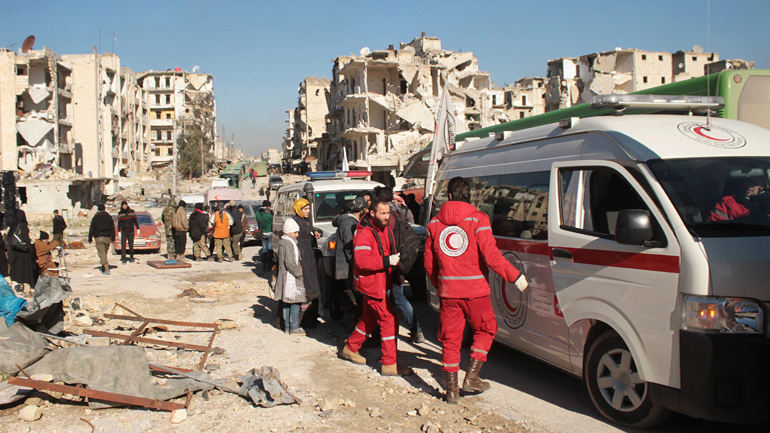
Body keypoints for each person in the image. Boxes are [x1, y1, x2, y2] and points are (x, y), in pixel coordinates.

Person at [424, 177, 529, 404]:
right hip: (475, 290)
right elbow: (491, 256)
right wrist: (515, 276)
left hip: (448, 291)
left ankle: (451, 391)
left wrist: (438, 283)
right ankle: (472, 376)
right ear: (468, 195)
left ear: (449, 196)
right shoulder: (478, 219)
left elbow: (429, 263)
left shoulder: (433, 224)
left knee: (451, 339)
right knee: (486, 328)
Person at [339, 197, 414, 377]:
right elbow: (362, 261)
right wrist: (387, 261)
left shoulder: (382, 228)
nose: (387, 216)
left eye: (388, 212)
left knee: (370, 317)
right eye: (383, 213)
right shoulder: (365, 233)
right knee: (389, 319)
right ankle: (389, 364)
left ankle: (351, 347)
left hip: (379, 282)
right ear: (372, 213)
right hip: (372, 285)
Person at [374, 187, 425, 344]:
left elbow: (387, 241)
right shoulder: (398, 212)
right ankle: (415, 330)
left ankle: (385, 335)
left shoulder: (386, 217)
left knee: (387, 299)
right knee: (397, 297)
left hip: (390, 263)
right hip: (398, 260)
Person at [333, 196, 368, 320]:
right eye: (366, 208)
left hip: (347, 264)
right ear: (361, 209)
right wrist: (355, 262)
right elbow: (349, 246)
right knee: (353, 292)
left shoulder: (349, 221)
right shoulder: (350, 223)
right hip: (348, 264)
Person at [274, 218, 308, 336]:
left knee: (287, 303)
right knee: (295, 302)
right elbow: (290, 263)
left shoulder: (285, 242)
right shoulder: (288, 244)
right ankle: (294, 328)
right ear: (289, 232)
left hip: (288, 276)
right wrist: (299, 273)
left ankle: (288, 327)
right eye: (295, 232)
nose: (297, 235)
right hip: (291, 278)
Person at [291, 198, 322, 327]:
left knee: (313, 285)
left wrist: (316, 232)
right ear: (299, 209)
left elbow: (311, 229)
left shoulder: (305, 222)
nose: (308, 211)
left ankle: (313, 317)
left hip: (309, 258)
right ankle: (303, 320)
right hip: (301, 258)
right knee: (305, 287)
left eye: (309, 209)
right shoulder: (293, 222)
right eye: (305, 209)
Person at [8, 209, 37, 288]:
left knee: (17, 270)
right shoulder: (22, 225)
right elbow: (26, 239)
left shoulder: (13, 225)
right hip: (23, 252)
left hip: (15, 252)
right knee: (24, 270)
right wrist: (32, 251)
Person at [88, 204, 115, 275]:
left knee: (102, 253)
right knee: (104, 252)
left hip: (99, 237)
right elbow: (112, 227)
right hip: (107, 237)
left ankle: (106, 268)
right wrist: (113, 237)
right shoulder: (109, 217)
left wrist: (90, 237)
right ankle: (104, 265)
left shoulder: (96, 218)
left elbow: (92, 228)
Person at [255, 200, 274, 271]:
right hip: (270, 232)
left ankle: (264, 264)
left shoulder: (257, 213)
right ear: (268, 206)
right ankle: (269, 264)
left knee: (264, 248)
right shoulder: (269, 215)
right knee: (270, 248)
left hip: (262, 232)